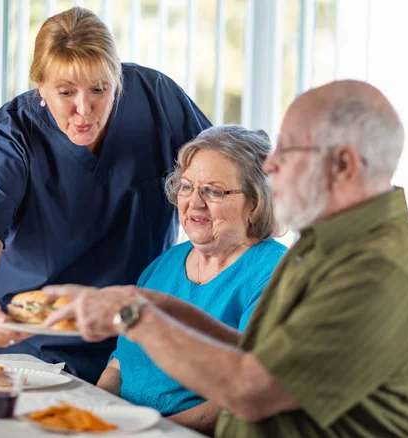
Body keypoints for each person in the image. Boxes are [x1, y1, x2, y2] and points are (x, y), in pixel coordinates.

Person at [43, 80, 408, 437]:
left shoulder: (377, 271)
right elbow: (258, 353)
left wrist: (132, 316)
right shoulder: (331, 244)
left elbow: (252, 390)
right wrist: (146, 302)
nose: (271, 166)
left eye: (290, 148)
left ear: (344, 164)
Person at [0, 7, 211, 385]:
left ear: (117, 77)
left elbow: (223, 172)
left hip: (136, 331)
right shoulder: (14, 134)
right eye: (66, 92)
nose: (84, 110)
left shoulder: (157, 98)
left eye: (100, 90)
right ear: (40, 85)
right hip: (42, 342)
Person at [96, 125, 286, 435]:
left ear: (255, 202)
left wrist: (151, 432)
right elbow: (120, 362)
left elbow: (248, 394)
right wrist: (91, 411)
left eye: (213, 190)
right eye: (186, 186)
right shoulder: (164, 265)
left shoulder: (275, 273)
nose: (194, 202)